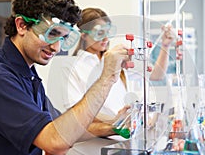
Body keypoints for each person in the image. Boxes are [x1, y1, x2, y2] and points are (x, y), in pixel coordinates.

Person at [0, 0, 129, 155]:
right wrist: (107, 77)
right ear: (21, 25)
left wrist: (112, 127)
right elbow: (56, 141)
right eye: (52, 34)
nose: (56, 47)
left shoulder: (28, 74)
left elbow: (62, 128)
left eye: (63, 38)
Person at [46, 7, 180, 137]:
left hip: (124, 136)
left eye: (108, 32)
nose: (106, 39)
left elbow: (157, 75)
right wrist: (116, 124)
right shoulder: (72, 67)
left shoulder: (115, 60)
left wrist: (165, 45)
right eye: (99, 33)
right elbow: (74, 117)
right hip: (97, 140)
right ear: (84, 35)